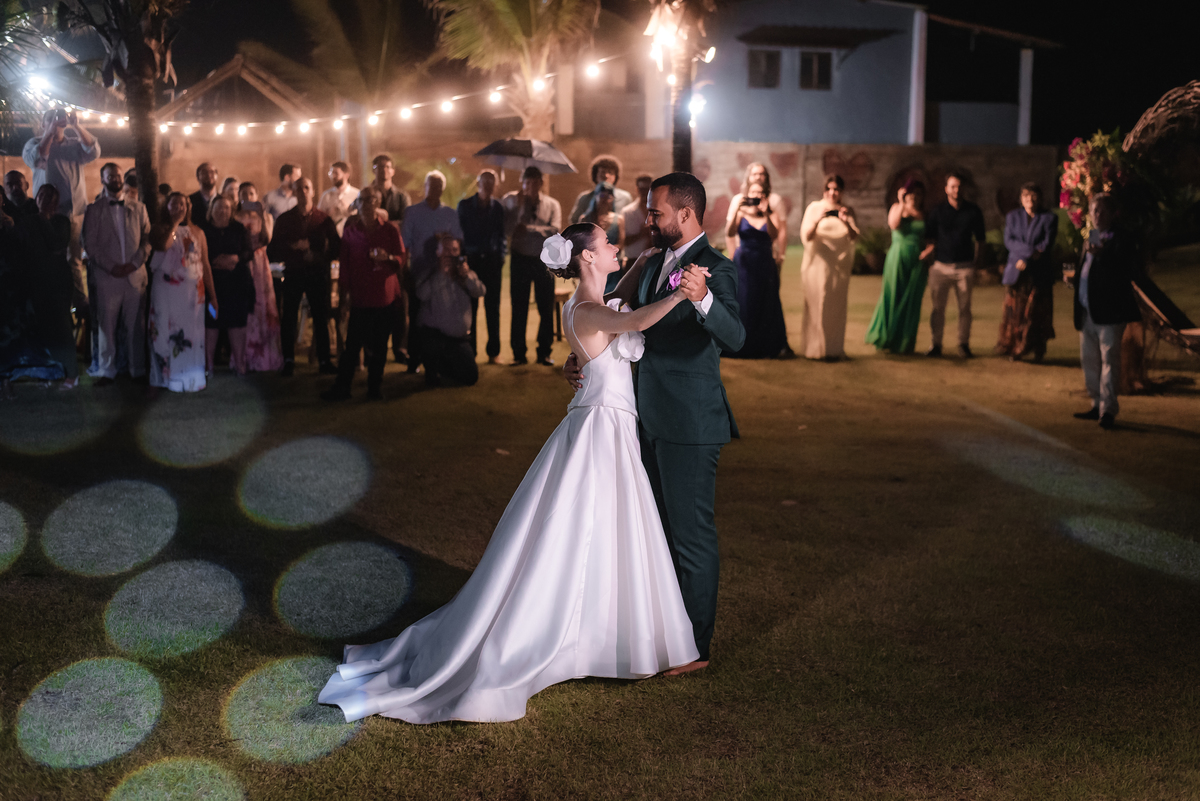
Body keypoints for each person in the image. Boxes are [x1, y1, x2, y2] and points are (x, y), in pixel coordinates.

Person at [318, 222, 699, 723]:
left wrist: (643, 265)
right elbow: (635, 322)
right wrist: (683, 295)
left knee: (609, 530)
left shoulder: (590, 302)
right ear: (586, 258)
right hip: (600, 432)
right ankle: (573, 638)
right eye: (607, 244)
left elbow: (620, 301)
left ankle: (603, 635)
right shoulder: (587, 311)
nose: (615, 248)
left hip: (607, 427)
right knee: (582, 531)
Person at [564, 171, 745, 675]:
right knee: (656, 533)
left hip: (689, 421)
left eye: (656, 212)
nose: (647, 219)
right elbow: (609, 314)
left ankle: (696, 648)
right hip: (638, 417)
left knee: (690, 536)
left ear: (686, 215)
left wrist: (704, 299)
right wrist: (582, 357)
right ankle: (660, 634)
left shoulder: (716, 269)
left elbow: (736, 336)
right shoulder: (647, 261)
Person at [23, 108, 100, 346]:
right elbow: (37, 158)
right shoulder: (33, 144)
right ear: (43, 124)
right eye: (51, 120)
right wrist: (48, 132)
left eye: (59, 120)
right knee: (44, 262)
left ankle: (82, 309)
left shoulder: (74, 143)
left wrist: (76, 125)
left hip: (72, 214)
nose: (57, 123)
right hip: (43, 215)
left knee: (74, 261)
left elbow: (94, 150)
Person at [321, 186, 406, 401]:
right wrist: (343, 293)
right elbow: (345, 265)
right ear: (357, 204)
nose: (367, 204)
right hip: (360, 297)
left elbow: (401, 258)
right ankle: (343, 387)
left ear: (378, 203)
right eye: (363, 200)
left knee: (379, 347)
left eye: (371, 200)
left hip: (383, 297)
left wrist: (387, 258)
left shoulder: (390, 230)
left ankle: (374, 388)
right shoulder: (351, 232)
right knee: (352, 347)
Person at [1068, 193, 1141, 429]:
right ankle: (1095, 403)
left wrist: (1104, 255)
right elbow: (1087, 270)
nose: (1096, 215)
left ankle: (1108, 410)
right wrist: (1075, 280)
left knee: (1109, 359)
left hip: (1110, 312)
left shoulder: (1121, 238)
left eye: (1101, 211)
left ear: (1112, 213)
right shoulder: (1092, 236)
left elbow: (1124, 270)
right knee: (1089, 359)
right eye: (1093, 210)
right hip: (1088, 310)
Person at [82, 161, 152, 386]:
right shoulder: (94, 209)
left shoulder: (139, 207)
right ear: (102, 179)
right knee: (106, 327)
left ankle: (137, 370)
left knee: (135, 326)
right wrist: (112, 267)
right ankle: (107, 370)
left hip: (134, 275)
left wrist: (133, 264)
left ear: (123, 178)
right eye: (110, 176)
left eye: (117, 175)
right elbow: (90, 244)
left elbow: (147, 241)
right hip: (107, 277)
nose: (115, 179)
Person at [3, 184, 78, 388]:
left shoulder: (61, 221)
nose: (43, 198)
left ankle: (72, 374)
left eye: (49, 196)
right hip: (35, 284)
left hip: (58, 285)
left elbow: (56, 244)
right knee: (42, 330)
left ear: (55, 201)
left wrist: (44, 218)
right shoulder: (27, 221)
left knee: (61, 328)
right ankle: (51, 371)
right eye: (41, 195)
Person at [267, 176, 339, 376]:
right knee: (289, 316)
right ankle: (288, 359)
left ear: (313, 191)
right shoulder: (285, 220)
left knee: (320, 317)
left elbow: (335, 248)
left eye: (307, 188)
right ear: (294, 192)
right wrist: (293, 248)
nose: (303, 192)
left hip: (317, 274)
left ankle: (324, 360)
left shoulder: (323, 220)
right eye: (299, 189)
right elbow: (273, 250)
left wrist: (316, 254)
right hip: (294, 273)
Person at [147, 193, 216, 393]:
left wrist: (213, 295)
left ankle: (191, 378)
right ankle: (164, 378)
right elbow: (163, 245)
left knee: (192, 334)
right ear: (166, 206)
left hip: (192, 292)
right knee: (163, 330)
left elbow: (205, 264)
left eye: (183, 204)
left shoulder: (198, 232)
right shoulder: (159, 229)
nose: (179, 207)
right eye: (174, 204)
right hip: (167, 289)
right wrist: (174, 224)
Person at [402, 170, 463, 371]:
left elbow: (457, 240)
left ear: (442, 189)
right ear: (424, 187)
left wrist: (446, 238)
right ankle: (413, 358)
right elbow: (405, 243)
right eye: (431, 185)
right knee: (417, 315)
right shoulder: (412, 212)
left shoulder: (449, 213)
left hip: (443, 272)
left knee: (439, 313)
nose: (434, 189)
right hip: (420, 270)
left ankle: (437, 359)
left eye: (438, 186)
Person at [865, 180, 934, 354]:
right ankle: (887, 338)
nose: (915, 197)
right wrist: (902, 202)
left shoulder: (924, 214)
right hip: (898, 257)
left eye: (918, 194)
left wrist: (929, 250)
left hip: (918, 261)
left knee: (911, 301)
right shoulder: (897, 208)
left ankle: (905, 342)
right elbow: (894, 224)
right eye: (911, 193)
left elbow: (930, 239)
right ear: (905, 194)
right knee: (893, 295)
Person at [502, 166, 562, 366]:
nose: (530, 186)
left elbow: (554, 230)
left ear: (541, 183)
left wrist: (528, 229)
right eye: (527, 182)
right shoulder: (514, 202)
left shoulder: (552, 204)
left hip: (544, 260)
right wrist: (517, 209)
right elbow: (507, 229)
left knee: (545, 306)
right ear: (522, 183)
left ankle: (544, 351)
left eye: (534, 182)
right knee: (518, 306)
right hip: (520, 258)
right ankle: (518, 353)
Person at [924, 171, 986, 358]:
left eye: (959, 186)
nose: (956, 190)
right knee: (937, 309)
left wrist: (976, 264)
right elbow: (930, 238)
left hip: (964, 267)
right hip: (941, 266)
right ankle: (936, 344)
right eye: (952, 186)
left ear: (963, 188)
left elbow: (980, 240)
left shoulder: (973, 211)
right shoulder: (937, 211)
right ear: (946, 189)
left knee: (965, 309)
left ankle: (963, 344)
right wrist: (930, 262)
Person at [356, 154, 410, 364]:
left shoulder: (401, 196)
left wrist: (383, 221)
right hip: (370, 258)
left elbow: (405, 225)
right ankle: (371, 350)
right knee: (371, 306)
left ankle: (399, 348)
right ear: (373, 170)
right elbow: (361, 218)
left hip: (395, 256)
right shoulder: (365, 195)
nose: (383, 170)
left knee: (399, 305)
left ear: (393, 171)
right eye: (379, 167)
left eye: (387, 167)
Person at [724, 182, 788, 358]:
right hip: (744, 263)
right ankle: (742, 344)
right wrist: (737, 209)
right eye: (753, 192)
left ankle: (765, 345)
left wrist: (766, 212)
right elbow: (729, 232)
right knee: (744, 301)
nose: (756, 195)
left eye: (760, 193)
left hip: (765, 263)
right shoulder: (741, 213)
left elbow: (774, 234)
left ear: (765, 196)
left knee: (765, 302)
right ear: (747, 194)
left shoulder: (771, 214)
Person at [411, 236, 485, 387]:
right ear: (437, 252)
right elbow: (421, 294)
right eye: (446, 250)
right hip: (435, 337)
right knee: (432, 377)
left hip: (458, 338)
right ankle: (432, 366)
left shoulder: (464, 272)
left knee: (470, 377)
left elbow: (480, 291)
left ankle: (444, 367)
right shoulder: (429, 272)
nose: (450, 254)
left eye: (454, 250)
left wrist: (466, 277)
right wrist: (441, 275)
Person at [799, 174, 859, 360]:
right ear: (824, 190)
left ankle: (833, 349)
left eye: (837, 189)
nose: (833, 193)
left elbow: (854, 236)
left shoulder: (846, 210)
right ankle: (815, 349)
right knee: (817, 304)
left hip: (838, 268)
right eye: (829, 189)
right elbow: (807, 236)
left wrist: (845, 221)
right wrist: (818, 220)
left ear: (841, 192)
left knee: (835, 307)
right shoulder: (814, 208)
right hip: (817, 265)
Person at [997, 183, 1058, 362]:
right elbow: (1009, 240)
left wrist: (1028, 258)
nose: (1030, 200)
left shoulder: (1049, 218)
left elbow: (1046, 244)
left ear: (1040, 198)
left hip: (1038, 273)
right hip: (1016, 272)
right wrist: (1024, 256)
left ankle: (1037, 348)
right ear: (1021, 199)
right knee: (1015, 312)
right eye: (1026, 196)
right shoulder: (1013, 217)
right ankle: (1015, 347)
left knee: (1036, 314)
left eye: (1033, 196)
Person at [202, 196, 255, 375]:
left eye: (226, 208)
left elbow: (249, 252)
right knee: (211, 322)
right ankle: (209, 365)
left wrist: (236, 258)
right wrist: (216, 261)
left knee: (237, 323)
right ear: (212, 210)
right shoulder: (205, 230)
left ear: (231, 210)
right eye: (218, 208)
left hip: (237, 284)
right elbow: (201, 254)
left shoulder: (239, 229)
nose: (222, 211)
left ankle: (240, 363)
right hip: (213, 285)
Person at [457, 169, 506, 362]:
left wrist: (501, 256)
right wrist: (463, 260)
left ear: (495, 185)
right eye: (484, 181)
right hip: (473, 260)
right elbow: (460, 234)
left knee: (493, 307)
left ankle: (493, 352)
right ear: (478, 183)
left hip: (492, 261)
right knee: (471, 308)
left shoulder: (498, 208)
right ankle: (471, 351)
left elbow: (501, 234)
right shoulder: (465, 205)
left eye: (491, 182)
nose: (487, 185)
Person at [236, 207, 283, 373]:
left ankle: (267, 357)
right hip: (244, 264)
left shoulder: (266, 218)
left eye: (251, 194)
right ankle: (245, 356)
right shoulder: (236, 219)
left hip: (261, 264)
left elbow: (268, 239)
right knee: (246, 309)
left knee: (264, 307)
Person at [725, 163, 788, 267]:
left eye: (761, 174)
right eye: (754, 174)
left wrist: (781, 255)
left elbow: (782, 230)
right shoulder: (738, 200)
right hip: (743, 255)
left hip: (768, 255)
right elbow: (730, 232)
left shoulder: (775, 200)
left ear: (766, 177)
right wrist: (732, 255)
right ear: (748, 177)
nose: (758, 177)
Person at [580, 182, 625, 293]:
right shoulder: (585, 219)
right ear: (596, 197)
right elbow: (579, 244)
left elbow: (621, 244)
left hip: (612, 268)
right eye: (602, 196)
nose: (605, 200)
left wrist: (604, 251)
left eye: (609, 197)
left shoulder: (618, 219)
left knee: (611, 300)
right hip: (592, 266)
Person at [568, 154, 633, 224]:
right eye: (602, 172)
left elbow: (630, 223)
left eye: (610, 172)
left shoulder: (625, 198)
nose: (606, 176)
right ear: (595, 175)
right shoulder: (585, 198)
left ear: (616, 176)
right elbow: (574, 221)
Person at [317, 161, 359, 236]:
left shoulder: (356, 194)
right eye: (331, 173)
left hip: (351, 237)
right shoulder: (326, 195)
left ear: (346, 175)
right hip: (331, 238)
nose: (333, 176)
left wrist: (349, 210)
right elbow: (318, 217)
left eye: (336, 173)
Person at [621, 173, 654, 263]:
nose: (645, 192)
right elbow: (622, 242)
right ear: (637, 189)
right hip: (633, 260)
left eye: (647, 189)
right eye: (642, 189)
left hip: (654, 259)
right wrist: (642, 234)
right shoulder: (627, 212)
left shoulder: (659, 212)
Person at [189, 162, 220, 226]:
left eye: (212, 172)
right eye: (204, 172)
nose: (209, 175)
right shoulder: (190, 200)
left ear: (216, 176)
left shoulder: (224, 201)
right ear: (198, 177)